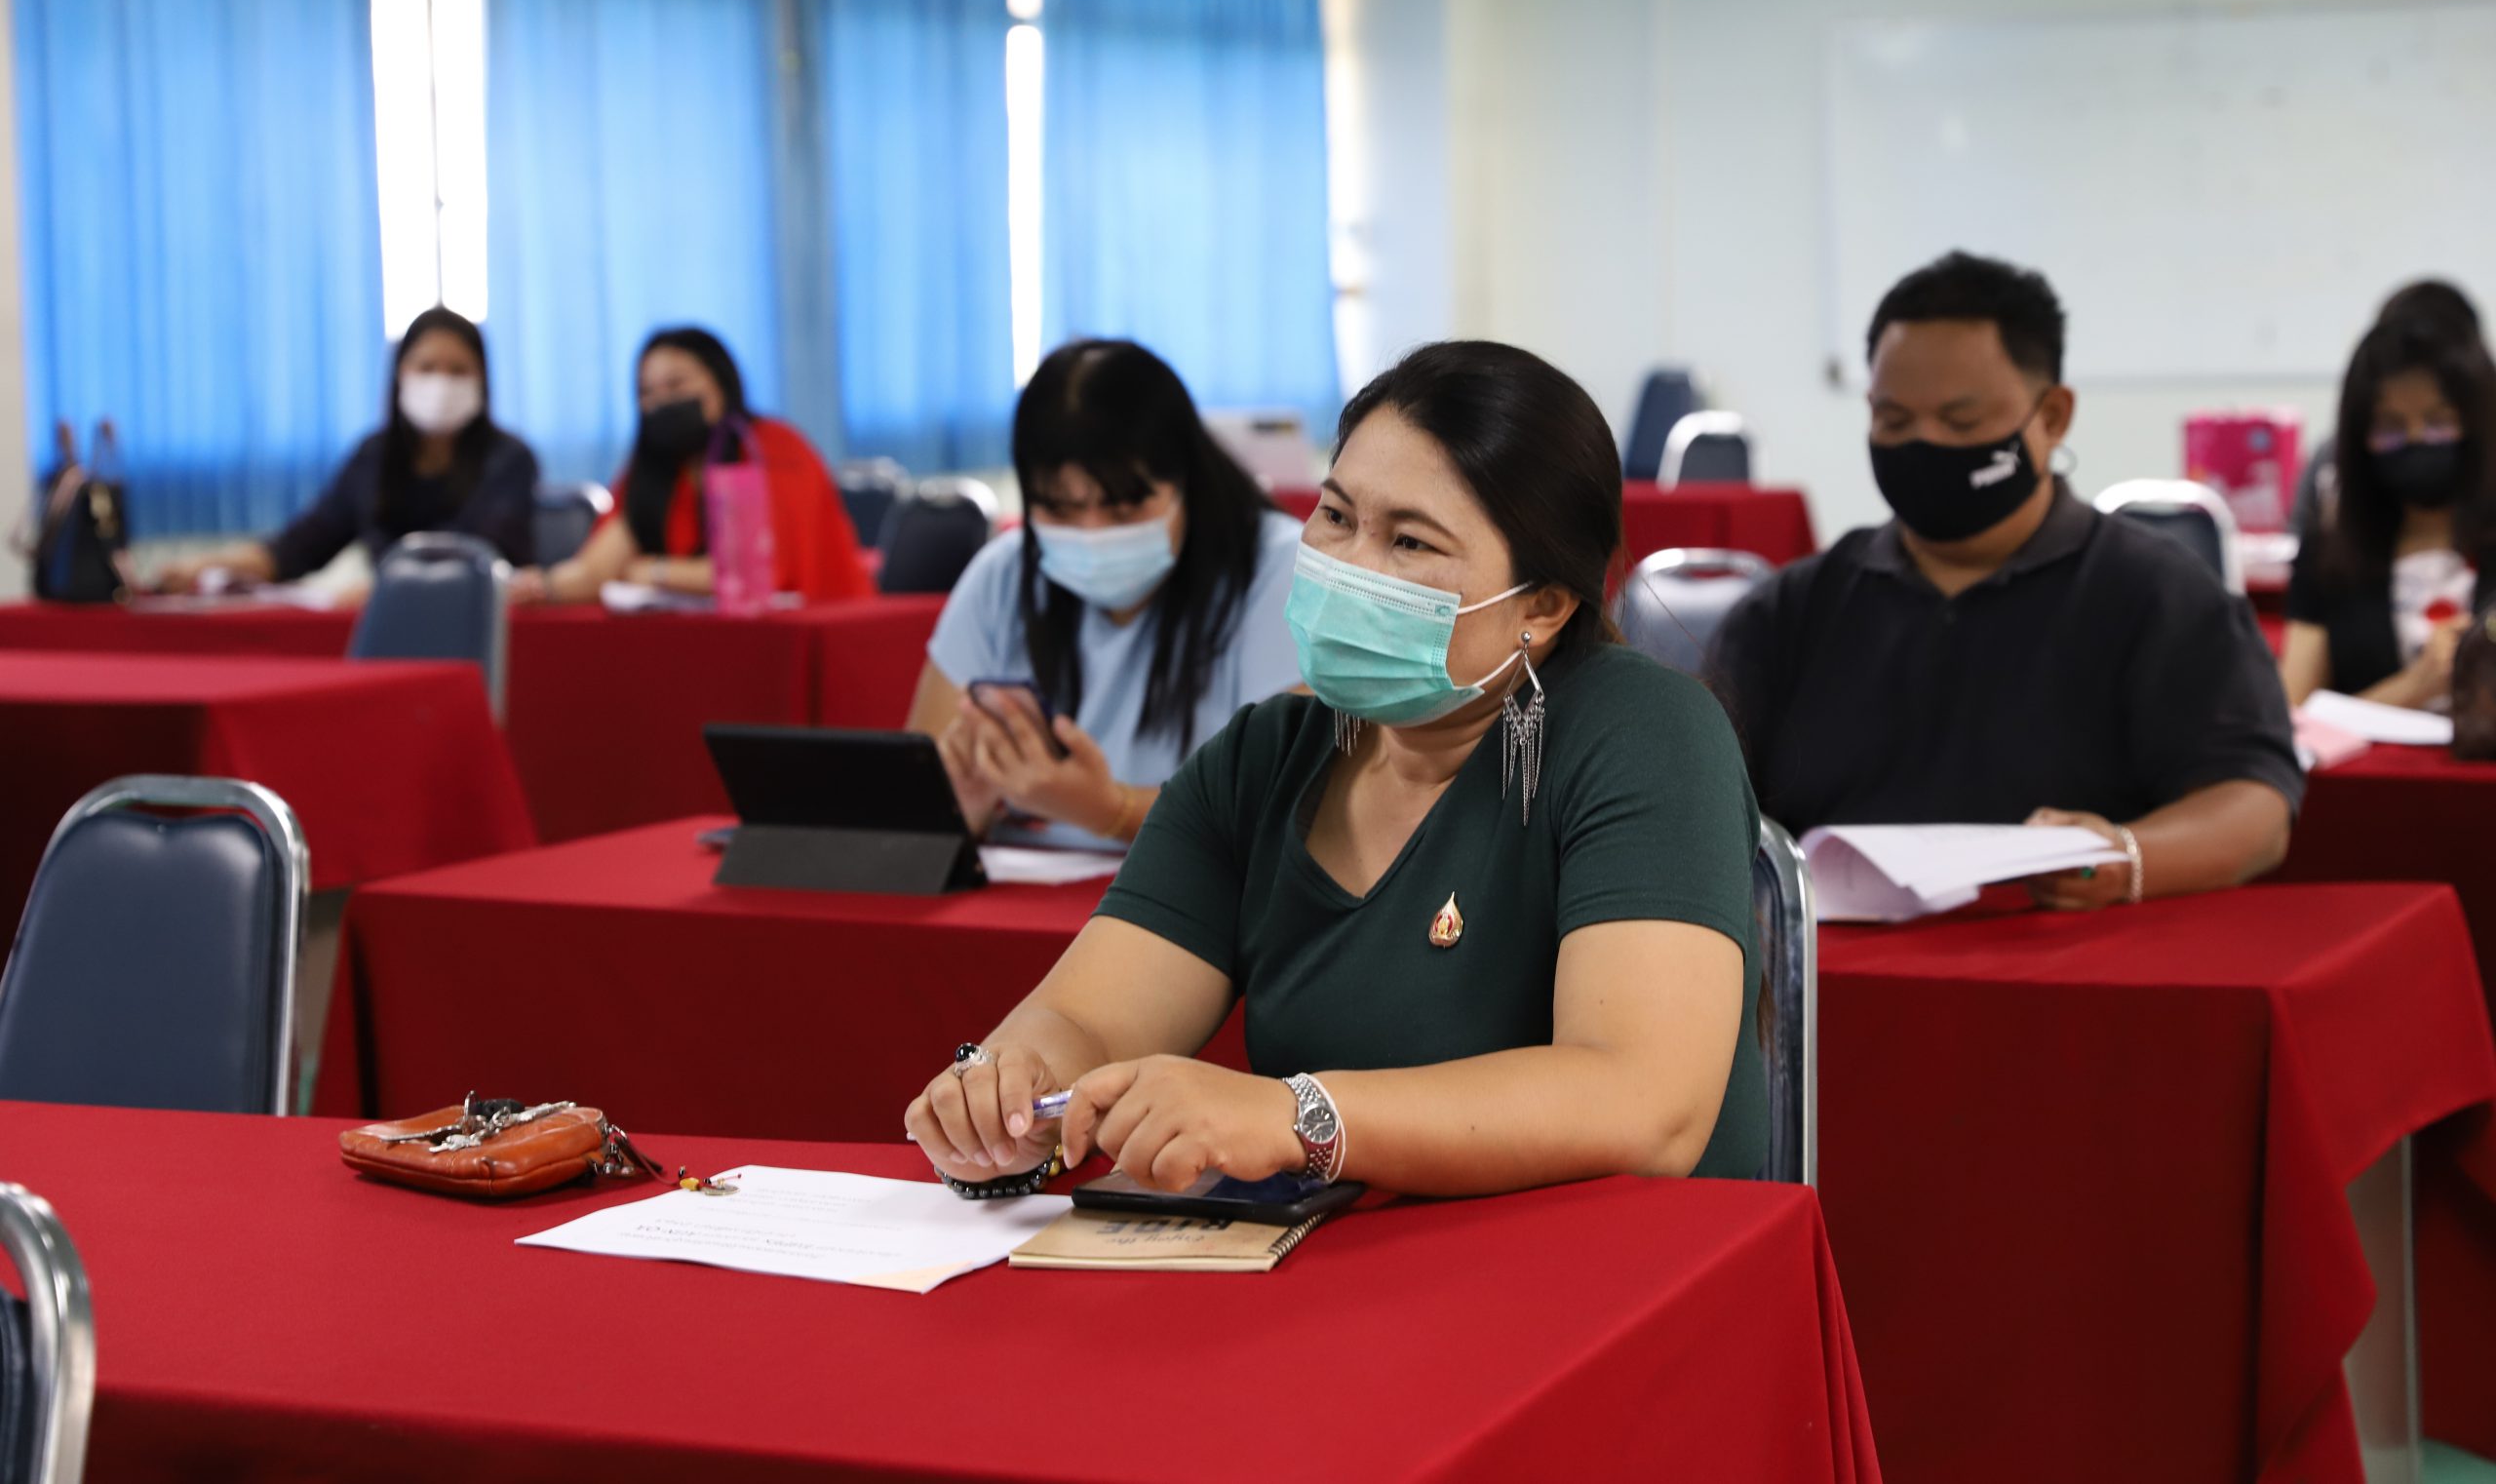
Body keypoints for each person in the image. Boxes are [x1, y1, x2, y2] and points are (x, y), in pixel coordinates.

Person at [906, 341, 1766, 1200]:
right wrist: (1012, 1089)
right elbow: (1086, 1019)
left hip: (1616, 1260)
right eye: (1337, 516)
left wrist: (1298, 1117)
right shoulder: (1261, 759)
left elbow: (1641, 1102)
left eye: (1410, 541)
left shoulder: (1645, 731)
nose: (1348, 564)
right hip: (1349, 1260)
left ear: (1540, 605)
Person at [1709, 251, 2301, 910]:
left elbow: (2255, 807)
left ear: (2052, 417)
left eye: (1962, 422)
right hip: (1831, 963)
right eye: (1894, 421)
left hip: (2075, 957)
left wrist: (2125, 857)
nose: (1924, 445)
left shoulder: (2159, 595)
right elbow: (1693, 801)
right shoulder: (1790, 611)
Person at [908, 339, 1301, 848]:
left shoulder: (1277, 570)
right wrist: (960, 807)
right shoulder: (1003, 575)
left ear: (1185, 481)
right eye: (1060, 509)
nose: (1092, 533)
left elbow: (1284, 804)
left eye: (1123, 509)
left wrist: (1112, 811)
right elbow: (919, 790)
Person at [155, 306, 536, 597]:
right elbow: (299, 547)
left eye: (458, 371)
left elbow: (485, 556)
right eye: (427, 367)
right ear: (400, 375)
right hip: (385, 630)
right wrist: (208, 565)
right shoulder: (374, 457)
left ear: (482, 380)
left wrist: (389, 590)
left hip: (472, 622)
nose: (441, 383)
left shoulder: (510, 460)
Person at [508, 327, 871, 605]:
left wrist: (655, 571)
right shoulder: (658, 469)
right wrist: (541, 585)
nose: (661, 403)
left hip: (821, 631)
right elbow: (598, 568)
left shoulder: (771, 447)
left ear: (721, 384)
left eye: (676, 385)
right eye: (647, 393)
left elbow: (754, 571)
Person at [2279, 310, 2496, 710]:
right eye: (2392, 426)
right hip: (2373, 753)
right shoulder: (2328, 557)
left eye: (2438, 421)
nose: (2416, 439)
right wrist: (2414, 687)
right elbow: (2293, 720)